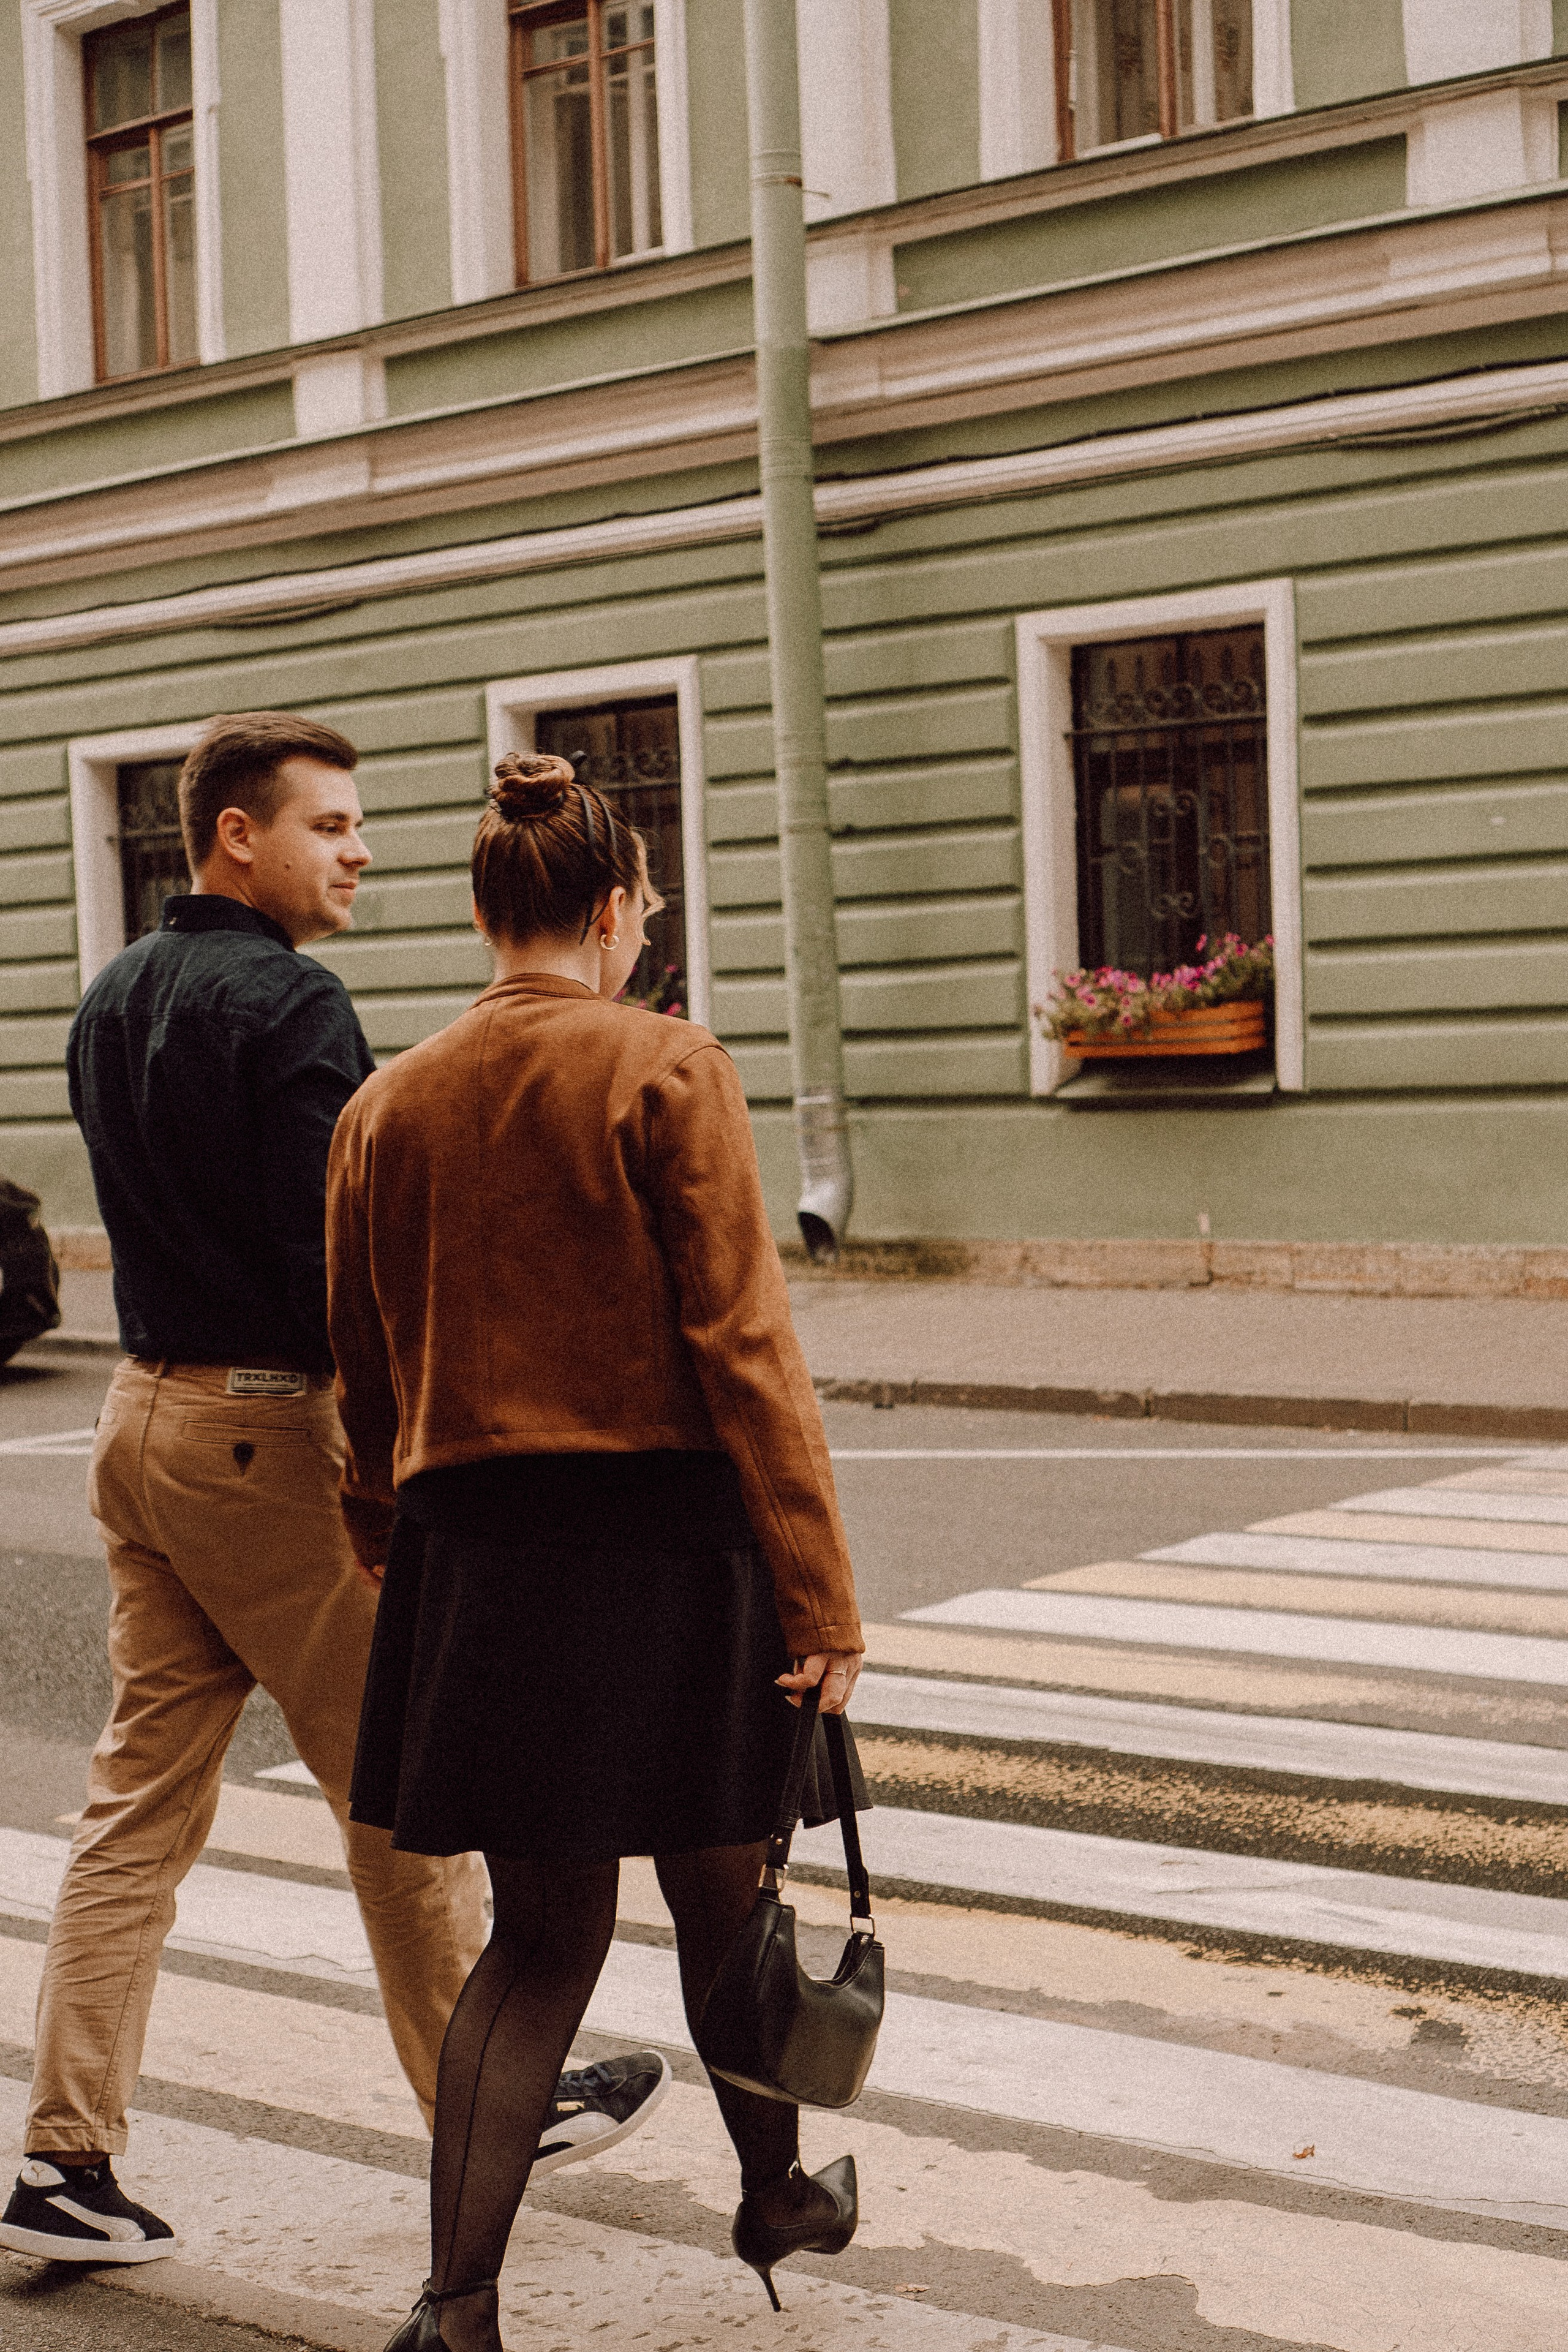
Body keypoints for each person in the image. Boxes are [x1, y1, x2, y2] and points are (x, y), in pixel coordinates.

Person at [0, 715, 667, 2272]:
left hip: (143, 1419)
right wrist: (402, 1460)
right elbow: (338, 1264)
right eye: (332, 825)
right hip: (266, 1435)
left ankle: (64, 2155)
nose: (360, 852)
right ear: (238, 836)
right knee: (402, 1786)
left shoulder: (111, 992)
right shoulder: (292, 1002)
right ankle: (490, 2096)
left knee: (136, 1809)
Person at [326, 752, 867, 2352]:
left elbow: (363, 1361)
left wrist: (385, 1539)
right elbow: (744, 1347)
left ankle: (458, 2307)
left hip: (483, 1555)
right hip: (672, 1544)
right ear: (617, 909)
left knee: (540, 1940)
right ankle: (772, 2192)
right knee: (725, 1894)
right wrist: (822, 1595)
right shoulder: (666, 1064)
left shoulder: (383, 1105)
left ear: (485, 911)